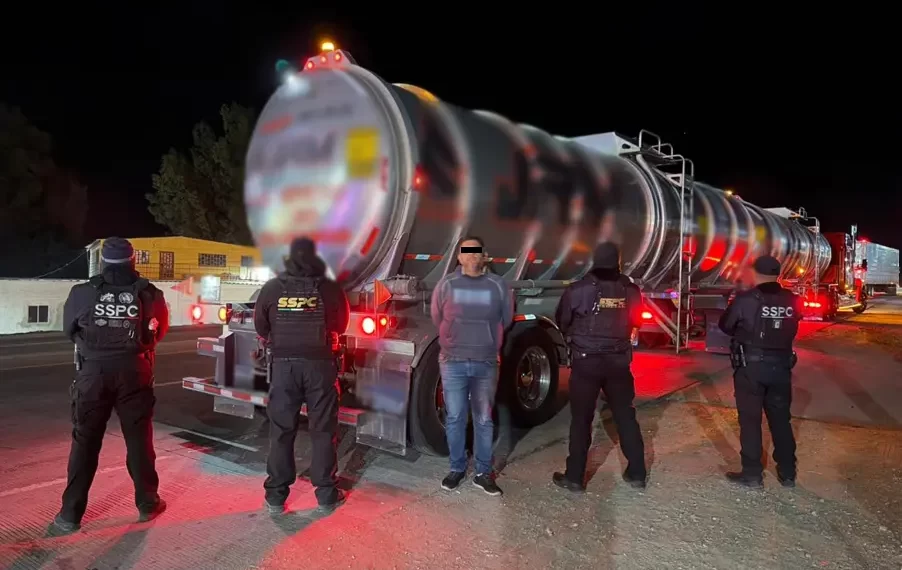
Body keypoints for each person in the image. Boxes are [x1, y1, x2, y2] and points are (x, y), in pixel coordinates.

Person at [53, 237, 169, 533]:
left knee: (85, 442)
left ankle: (69, 515)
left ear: (103, 261)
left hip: (93, 374)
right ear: (133, 259)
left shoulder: (82, 292)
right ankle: (147, 503)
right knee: (139, 440)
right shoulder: (150, 293)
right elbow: (159, 332)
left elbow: (69, 330)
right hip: (135, 372)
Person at [254, 237, 350, 514]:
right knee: (323, 430)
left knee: (281, 431)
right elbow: (341, 325)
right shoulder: (330, 288)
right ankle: (326, 493)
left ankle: (276, 495)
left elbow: (261, 326)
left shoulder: (273, 288)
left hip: (284, 368)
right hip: (320, 367)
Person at [552, 242, 647, 492]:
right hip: (618, 362)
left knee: (581, 420)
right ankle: (637, 472)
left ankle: (574, 477)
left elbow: (562, 320)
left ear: (594, 260)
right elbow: (637, 321)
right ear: (618, 261)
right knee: (625, 416)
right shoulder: (631, 290)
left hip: (586, 362)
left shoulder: (579, 289)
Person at [430, 236, 513, 496]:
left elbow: (507, 318)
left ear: (484, 256)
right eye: (467, 251)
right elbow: (437, 316)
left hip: (485, 361)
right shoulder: (447, 285)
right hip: (453, 361)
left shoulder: (498, 285)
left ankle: (482, 473)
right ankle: (456, 468)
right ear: (459, 257)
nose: (472, 255)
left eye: (477, 251)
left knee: (483, 419)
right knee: (455, 417)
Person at [719, 255, 802, 488]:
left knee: (750, 420)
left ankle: (752, 474)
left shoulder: (746, 299)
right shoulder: (793, 300)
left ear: (755, 273)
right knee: (781, 420)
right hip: (781, 368)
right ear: (778, 274)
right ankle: (788, 473)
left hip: (751, 368)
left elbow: (726, 325)